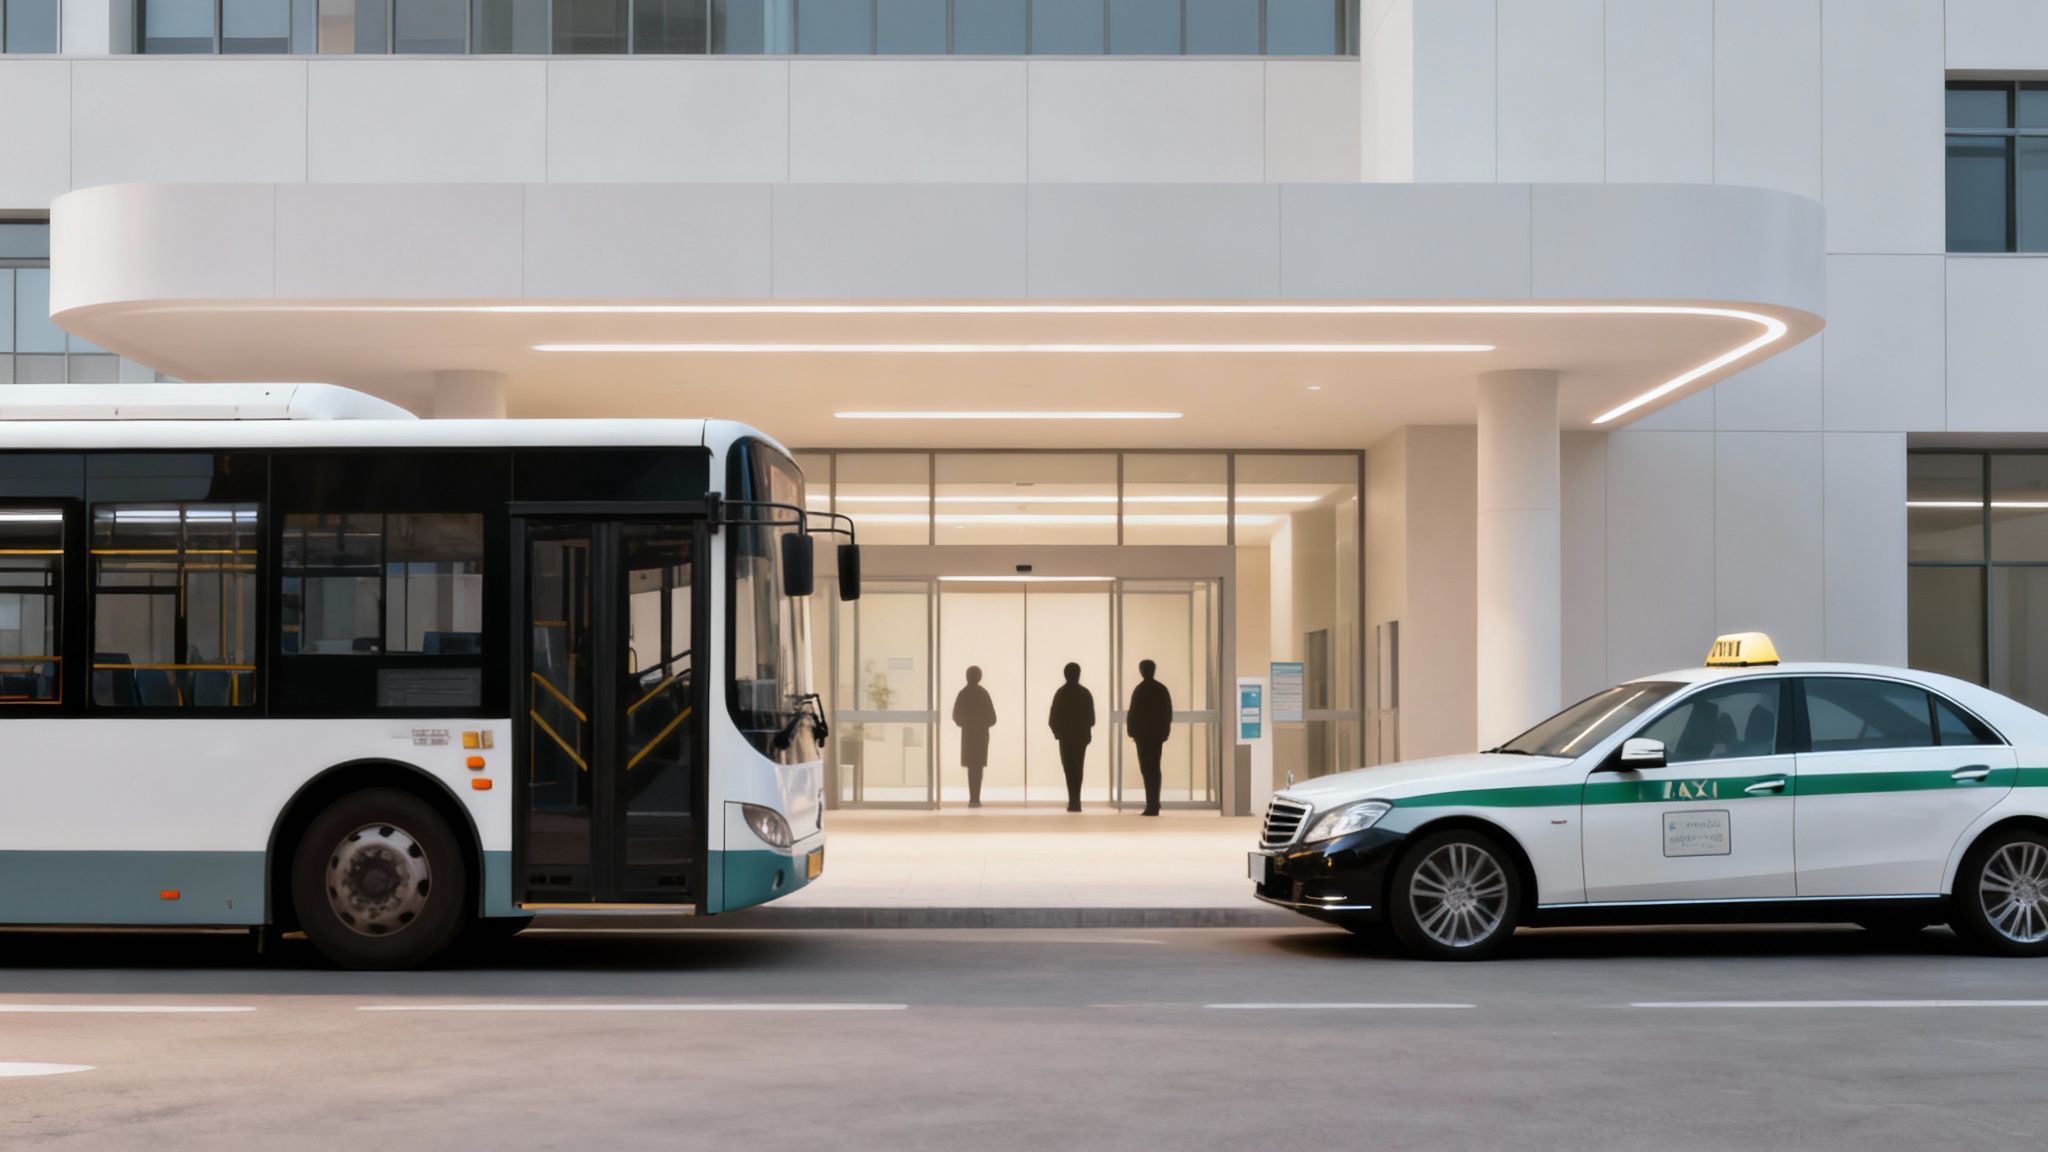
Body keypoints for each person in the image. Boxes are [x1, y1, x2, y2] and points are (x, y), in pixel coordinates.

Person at [1126, 659, 1173, 816]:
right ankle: (1154, 803)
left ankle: (1151, 804)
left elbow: (1132, 713)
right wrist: (1165, 732)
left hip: (1143, 736)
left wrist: (1131, 731)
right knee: (1155, 769)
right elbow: (1168, 714)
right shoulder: (1161, 689)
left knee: (1147, 769)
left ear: (1142, 671)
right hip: (1156, 736)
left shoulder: (1139, 690)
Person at [1046, 662, 1096, 813]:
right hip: (1081, 738)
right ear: (1079, 674)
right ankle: (1077, 801)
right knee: (1078, 769)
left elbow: (1052, 719)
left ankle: (1073, 801)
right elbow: (1092, 719)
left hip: (1066, 738)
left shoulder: (1060, 693)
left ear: (1065, 674)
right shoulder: (1085, 693)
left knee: (1069, 769)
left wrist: (1058, 733)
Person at [951, 666, 997, 808]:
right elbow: (993, 718)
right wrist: (982, 725)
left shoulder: (963, 694)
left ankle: (973, 798)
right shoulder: (983, 694)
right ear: (979, 677)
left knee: (971, 767)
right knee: (978, 766)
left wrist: (966, 724)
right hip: (981, 735)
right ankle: (976, 798)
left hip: (968, 735)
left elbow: (956, 715)